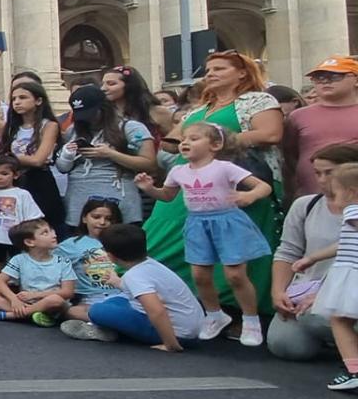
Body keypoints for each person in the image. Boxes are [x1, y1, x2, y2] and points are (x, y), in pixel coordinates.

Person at [143, 50, 283, 338]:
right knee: (165, 234)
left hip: (233, 179)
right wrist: (173, 131)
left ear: (242, 72)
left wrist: (216, 141)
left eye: (219, 68)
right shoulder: (199, 109)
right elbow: (172, 141)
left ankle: (244, 315)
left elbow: (270, 134)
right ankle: (180, 301)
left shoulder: (258, 100)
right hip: (187, 180)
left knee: (234, 256)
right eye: (208, 69)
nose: (211, 73)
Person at [137, 122, 274, 347]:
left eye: (194, 138)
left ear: (215, 145)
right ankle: (215, 314)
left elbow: (263, 186)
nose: (185, 143)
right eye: (183, 139)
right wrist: (149, 188)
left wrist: (249, 196)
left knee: (235, 276)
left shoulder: (224, 167)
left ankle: (251, 320)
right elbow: (167, 196)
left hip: (227, 221)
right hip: (197, 224)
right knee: (200, 275)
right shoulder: (178, 171)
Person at [269, 143, 358, 362]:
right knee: (286, 345)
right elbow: (287, 251)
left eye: (329, 172)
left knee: (318, 316)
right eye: (317, 173)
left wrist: (320, 296)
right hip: (307, 287)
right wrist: (279, 291)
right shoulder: (305, 205)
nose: (321, 179)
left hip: (347, 289)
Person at [71, 223, 206, 350]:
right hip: (194, 328)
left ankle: (104, 329)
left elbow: (157, 311)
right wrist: (117, 282)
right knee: (115, 300)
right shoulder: (150, 264)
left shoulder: (134, 276)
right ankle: (108, 328)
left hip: (179, 335)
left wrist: (170, 345)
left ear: (110, 256)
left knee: (98, 310)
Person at [54, 84, 155, 230]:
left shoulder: (130, 127)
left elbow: (149, 163)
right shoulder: (72, 131)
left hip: (118, 195)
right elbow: (62, 168)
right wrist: (67, 155)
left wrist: (110, 154)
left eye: (91, 114)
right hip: (79, 200)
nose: (88, 120)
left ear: (104, 108)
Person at [296, 163, 358, 390]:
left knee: (340, 320)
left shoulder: (353, 210)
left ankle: (354, 370)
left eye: (337, 191)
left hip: (352, 276)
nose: (332, 197)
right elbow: (342, 244)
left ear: (351, 192)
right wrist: (313, 258)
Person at [0, 82, 67, 229]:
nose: (17, 102)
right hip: (15, 180)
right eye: (14, 99)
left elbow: (38, 160)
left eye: (23, 97)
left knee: (42, 225)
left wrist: (11, 158)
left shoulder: (48, 125)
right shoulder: (11, 128)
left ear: (38, 101)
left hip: (39, 181)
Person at [283, 57, 358, 198]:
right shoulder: (298, 116)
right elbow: (289, 157)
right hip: (312, 196)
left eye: (335, 76)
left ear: (355, 79)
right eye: (318, 77)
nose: (325, 81)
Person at [58, 198, 130, 342]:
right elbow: (49, 265)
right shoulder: (71, 244)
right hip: (91, 298)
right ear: (85, 218)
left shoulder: (125, 242)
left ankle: (103, 327)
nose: (102, 222)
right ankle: (111, 328)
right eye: (96, 217)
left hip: (124, 295)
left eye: (108, 219)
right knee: (72, 311)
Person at [0, 220, 74, 324]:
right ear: (29, 242)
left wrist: (35, 295)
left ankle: (11, 315)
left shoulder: (63, 262)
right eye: (45, 232)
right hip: (25, 302)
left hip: (50, 304)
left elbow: (67, 292)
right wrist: (14, 299)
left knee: (55, 300)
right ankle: (34, 314)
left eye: (51, 230)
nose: (53, 234)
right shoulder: (19, 259)